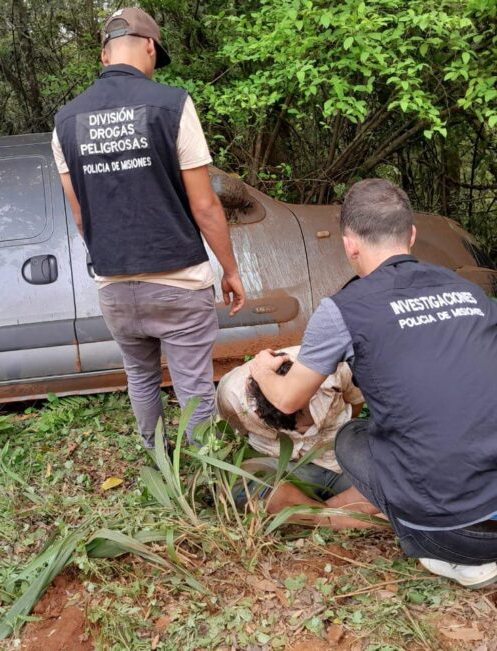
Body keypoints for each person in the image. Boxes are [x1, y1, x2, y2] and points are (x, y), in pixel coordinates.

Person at [249, 178, 497, 588]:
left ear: (349, 244)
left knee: (354, 436)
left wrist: (260, 368)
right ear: (412, 235)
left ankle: (336, 518)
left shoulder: (345, 309)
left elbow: (288, 399)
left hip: (455, 538)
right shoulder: (471, 293)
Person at [52, 8, 245, 448]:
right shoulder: (172, 104)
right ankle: (203, 478)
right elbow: (206, 205)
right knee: (193, 386)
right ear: (150, 47)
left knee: (140, 378)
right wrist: (230, 270)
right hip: (178, 277)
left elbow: (81, 214)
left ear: (104, 55)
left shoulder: (66, 121)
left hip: (114, 284)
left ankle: (158, 462)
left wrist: (110, 257)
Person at [217, 345, 364, 506]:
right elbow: (237, 430)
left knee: (389, 477)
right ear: (259, 414)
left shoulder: (333, 367)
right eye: (297, 427)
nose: (305, 430)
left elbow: (356, 402)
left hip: (343, 461)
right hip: (285, 469)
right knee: (236, 483)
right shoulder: (232, 397)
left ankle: (314, 513)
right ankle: (330, 514)